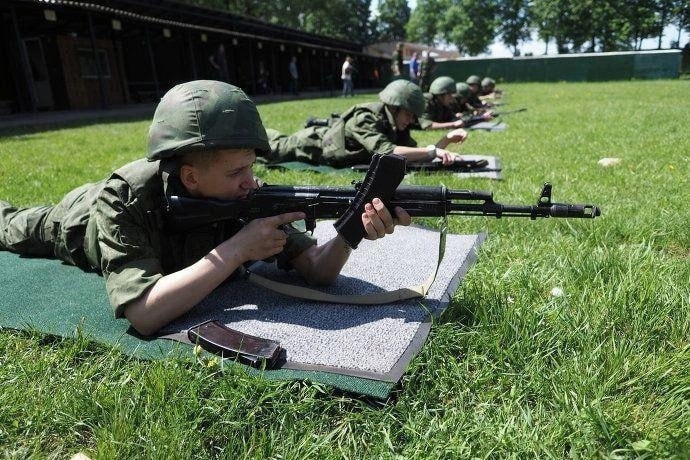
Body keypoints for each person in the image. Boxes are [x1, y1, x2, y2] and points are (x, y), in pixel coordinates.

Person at [0, 80, 409, 337]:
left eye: (251, 167)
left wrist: (351, 232)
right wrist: (238, 249)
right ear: (191, 177)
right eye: (236, 172)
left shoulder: (244, 197)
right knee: (11, 225)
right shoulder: (123, 198)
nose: (250, 182)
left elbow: (317, 270)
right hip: (76, 220)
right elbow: (144, 314)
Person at [263, 79, 469, 168]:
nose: (410, 121)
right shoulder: (365, 118)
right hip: (309, 145)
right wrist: (433, 150)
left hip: (323, 145)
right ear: (394, 107)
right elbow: (387, 152)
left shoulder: (394, 124)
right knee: (265, 149)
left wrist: (445, 141)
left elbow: (415, 155)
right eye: (408, 114)